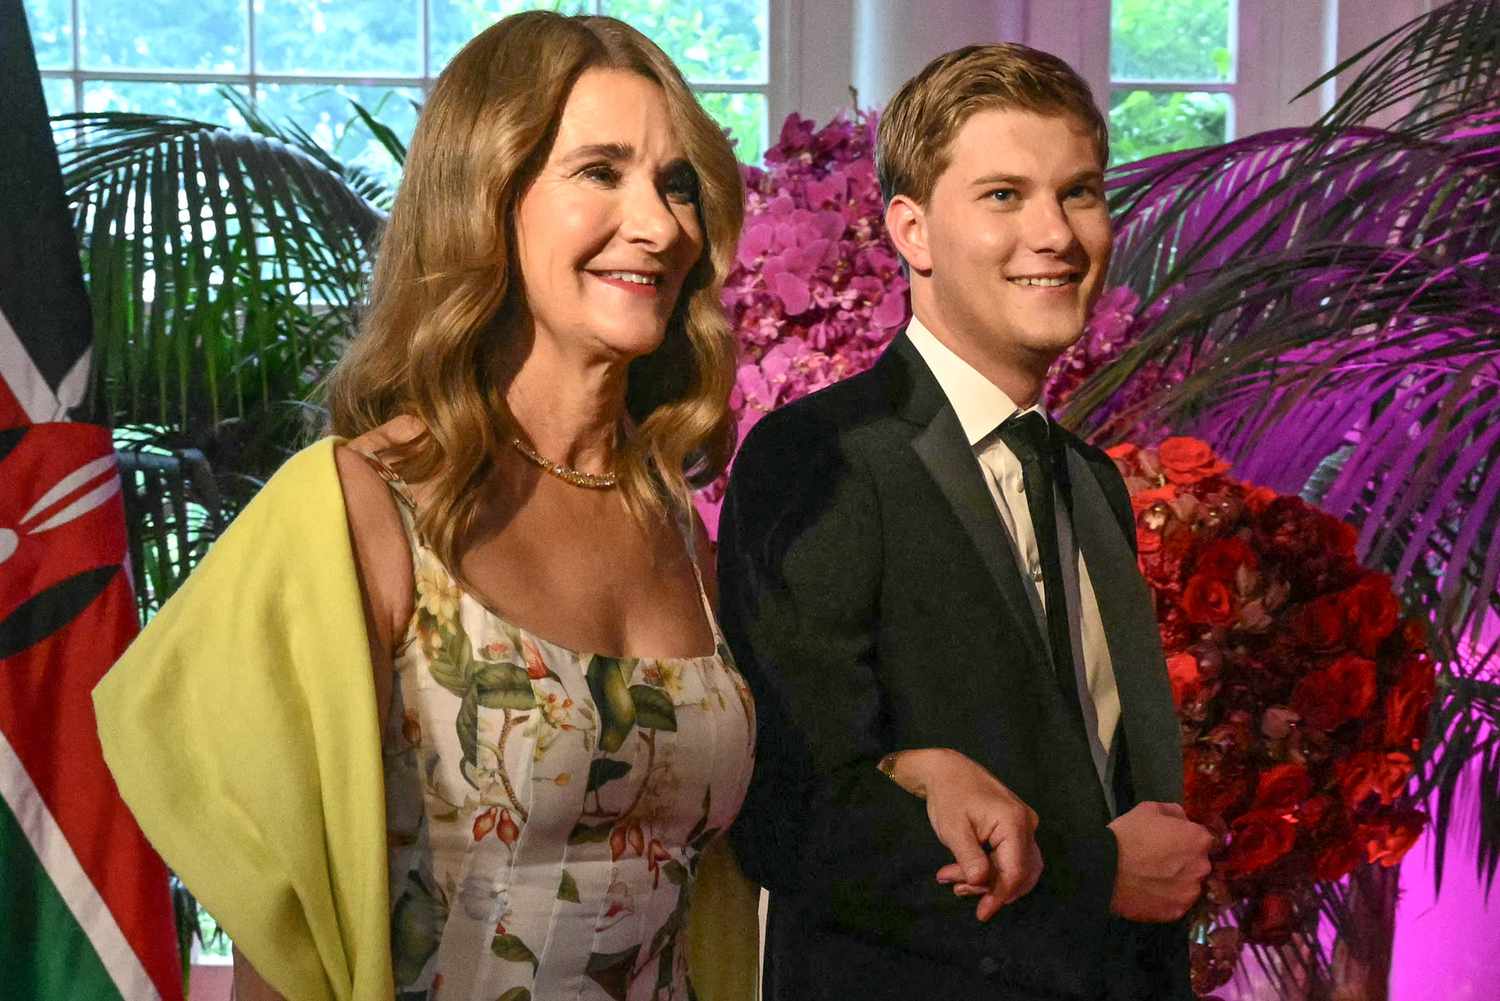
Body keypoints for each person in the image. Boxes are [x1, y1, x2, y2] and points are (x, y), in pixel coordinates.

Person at [93, 12, 759, 1001]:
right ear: (488, 197)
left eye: (675, 184)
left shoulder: (678, 523)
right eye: (600, 171)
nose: (660, 224)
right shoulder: (361, 509)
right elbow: (289, 928)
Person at [717, 43, 1215, 1001]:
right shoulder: (819, 455)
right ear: (912, 231)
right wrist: (1098, 877)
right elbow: (793, 810)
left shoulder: (1088, 479)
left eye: (1078, 193)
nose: (1056, 234)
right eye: (1002, 196)